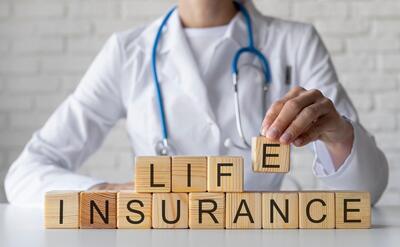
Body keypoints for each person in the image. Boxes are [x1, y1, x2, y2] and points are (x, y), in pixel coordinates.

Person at [4, 0, 388, 207]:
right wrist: (107, 193)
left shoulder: (295, 42)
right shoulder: (127, 53)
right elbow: (24, 174)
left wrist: (339, 137)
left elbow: (365, 194)